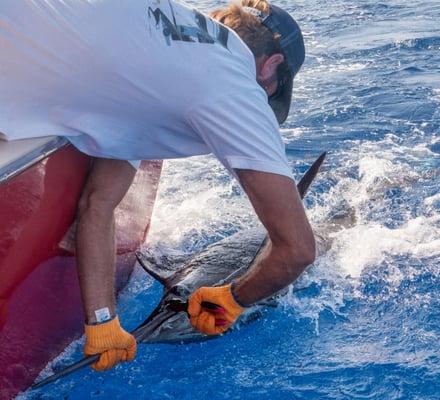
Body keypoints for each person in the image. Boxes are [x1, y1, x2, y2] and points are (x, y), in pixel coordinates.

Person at [0, 0, 315, 371]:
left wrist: (102, 322)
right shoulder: (238, 89)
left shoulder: (167, 49)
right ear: (272, 65)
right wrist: (231, 301)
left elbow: (98, 205)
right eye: (274, 89)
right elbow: (297, 249)